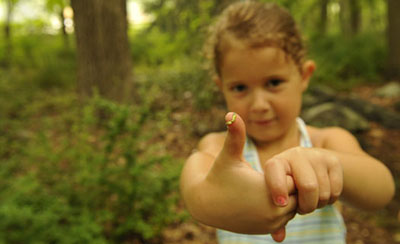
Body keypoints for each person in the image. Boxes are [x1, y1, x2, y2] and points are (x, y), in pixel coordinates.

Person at [180, 1, 395, 243]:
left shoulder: (326, 140)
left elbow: (382, 189)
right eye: (240, 87)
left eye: (273, 83)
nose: (259, 104)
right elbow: (194, 187)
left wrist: (327, 164)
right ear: (222, 88)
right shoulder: (221, 150)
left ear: (304, 76)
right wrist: (209, 198)